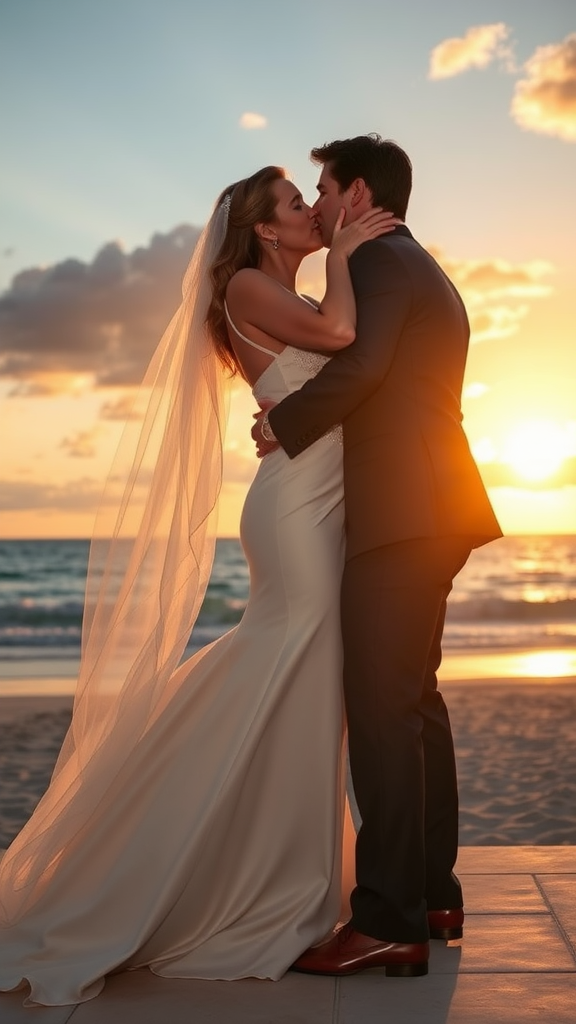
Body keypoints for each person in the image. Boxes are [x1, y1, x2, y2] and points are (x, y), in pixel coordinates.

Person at [0, 166, 397, 1006]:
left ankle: (277, 869)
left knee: (293, 680)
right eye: (298, 206)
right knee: (285, 664)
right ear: (265, 229)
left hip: (312, 500)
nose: (313, 215)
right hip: (294, 511)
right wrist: (352, 259)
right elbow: (338, 338)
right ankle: (227, 874)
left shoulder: (266, 282)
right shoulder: (252, 284)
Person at [253, 136, 502, 978]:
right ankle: (431, 892)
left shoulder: (382, 264)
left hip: (407, 512)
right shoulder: (405, 260)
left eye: (321, 187)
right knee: (413, 703)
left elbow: (360, 365)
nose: (317, 205)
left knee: (385, 706)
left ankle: (391, 918)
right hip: (431, 505)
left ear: (355, 191)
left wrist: (282, 424)